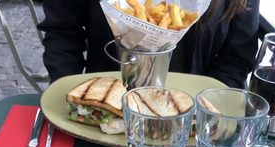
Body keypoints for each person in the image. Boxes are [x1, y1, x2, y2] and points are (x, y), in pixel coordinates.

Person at [37, 0, 261, 89]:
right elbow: (62, 32)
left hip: (192, 128)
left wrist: (206, 115)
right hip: (101, 112)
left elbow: (236, 58)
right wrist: (70, 94)